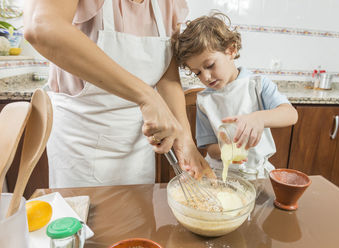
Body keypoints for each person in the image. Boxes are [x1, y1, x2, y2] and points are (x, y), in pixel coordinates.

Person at [23, 0, 214, 188]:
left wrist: (185, 141)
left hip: (136, 145)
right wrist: (146, 96)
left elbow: (167, 74)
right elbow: (41, 27)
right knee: (83, 218)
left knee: (138, 215)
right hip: (81, 142)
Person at [172, 12, 298, 177]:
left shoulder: (257, 84)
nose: (206, 77)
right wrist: (227, 149)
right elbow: (210, 148)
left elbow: (291, 114)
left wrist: (259, 118)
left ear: (231, 50)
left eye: (209, 65)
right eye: (197, 73)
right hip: (218, 173)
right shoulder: (204, 101)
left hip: (255, 175)